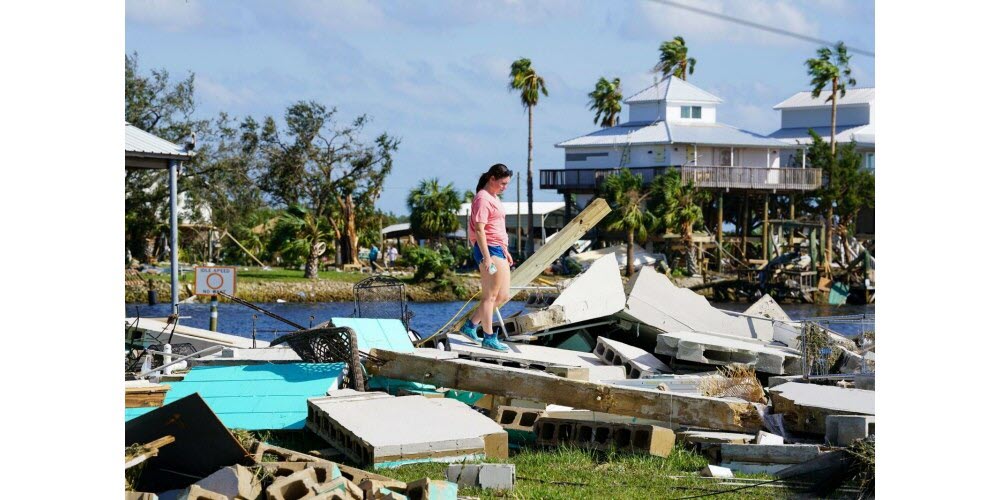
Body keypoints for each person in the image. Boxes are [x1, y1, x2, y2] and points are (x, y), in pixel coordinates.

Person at [459, 163, 514, 352]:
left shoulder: (493, 197)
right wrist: (487, 257)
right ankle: (489, 337)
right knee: (490, 296)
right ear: (492, 179)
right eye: (502, 183)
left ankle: (471, 325)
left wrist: (505, 249)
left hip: (499, 248)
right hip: (488, 249)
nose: (504, 187)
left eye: (507, 184)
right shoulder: (482, 198)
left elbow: (496, 226)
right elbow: (480, 230)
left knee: (503, 295)